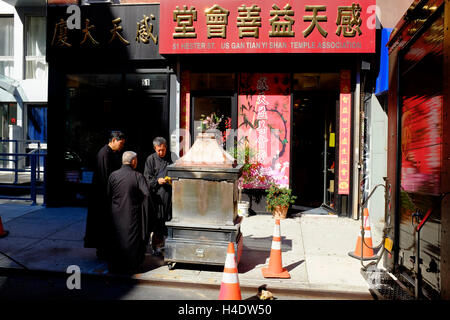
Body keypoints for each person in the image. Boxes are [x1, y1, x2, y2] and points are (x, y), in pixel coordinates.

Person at [84, 131, 126, 259]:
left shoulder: (111, 153)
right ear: (113, 140)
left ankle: (105, 249)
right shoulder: (104, 154)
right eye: (121, 143)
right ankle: (102, 251)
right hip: (102, 196)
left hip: (105, 195)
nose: (122, 146)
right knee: (102, 225)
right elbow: (105, 177)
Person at [107, 151, 150, 274]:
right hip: (132, 214)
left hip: (116, 214)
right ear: (134, 161)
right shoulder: (137, 176)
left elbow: (108, 195)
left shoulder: (113, 176)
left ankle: (116, 265)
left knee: (116, 239)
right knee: (132, 240)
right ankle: (132, 266)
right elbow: (146, 194)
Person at [144, 137, 172, 256]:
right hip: (156, 196)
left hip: (169, 195)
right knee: (157, 221)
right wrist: (156, 181)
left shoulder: (171, 157)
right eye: (159, 150)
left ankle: (166, 245)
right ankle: (156, 246)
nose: (161, 152)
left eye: (163, 150)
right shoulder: (150, 159)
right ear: (155, 148)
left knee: (168, 220)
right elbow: (147, 178)